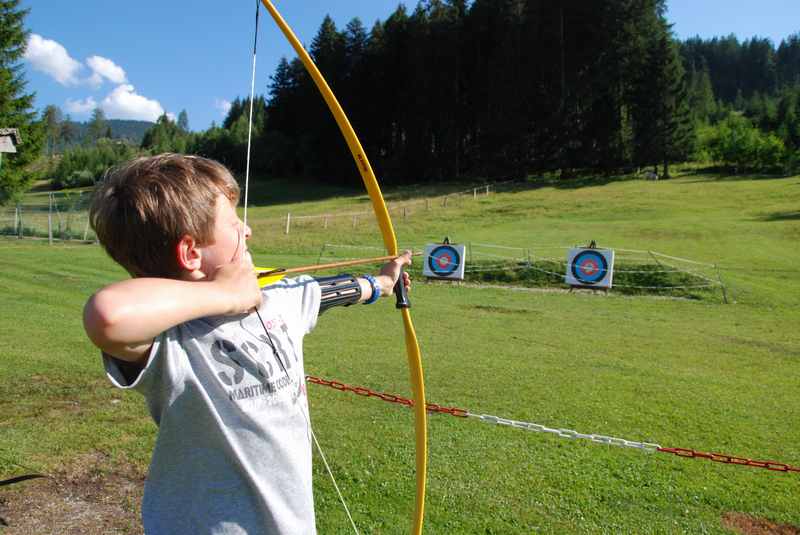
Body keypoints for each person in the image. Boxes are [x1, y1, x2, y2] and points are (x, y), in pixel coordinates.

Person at [82, 153, 411, 534]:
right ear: (190, 253)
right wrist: (226, 296)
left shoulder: (279, 300)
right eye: (234, 223)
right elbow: (108, 315)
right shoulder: (172, 340)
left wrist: (382, 284)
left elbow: (325, 292)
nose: (248, 229)